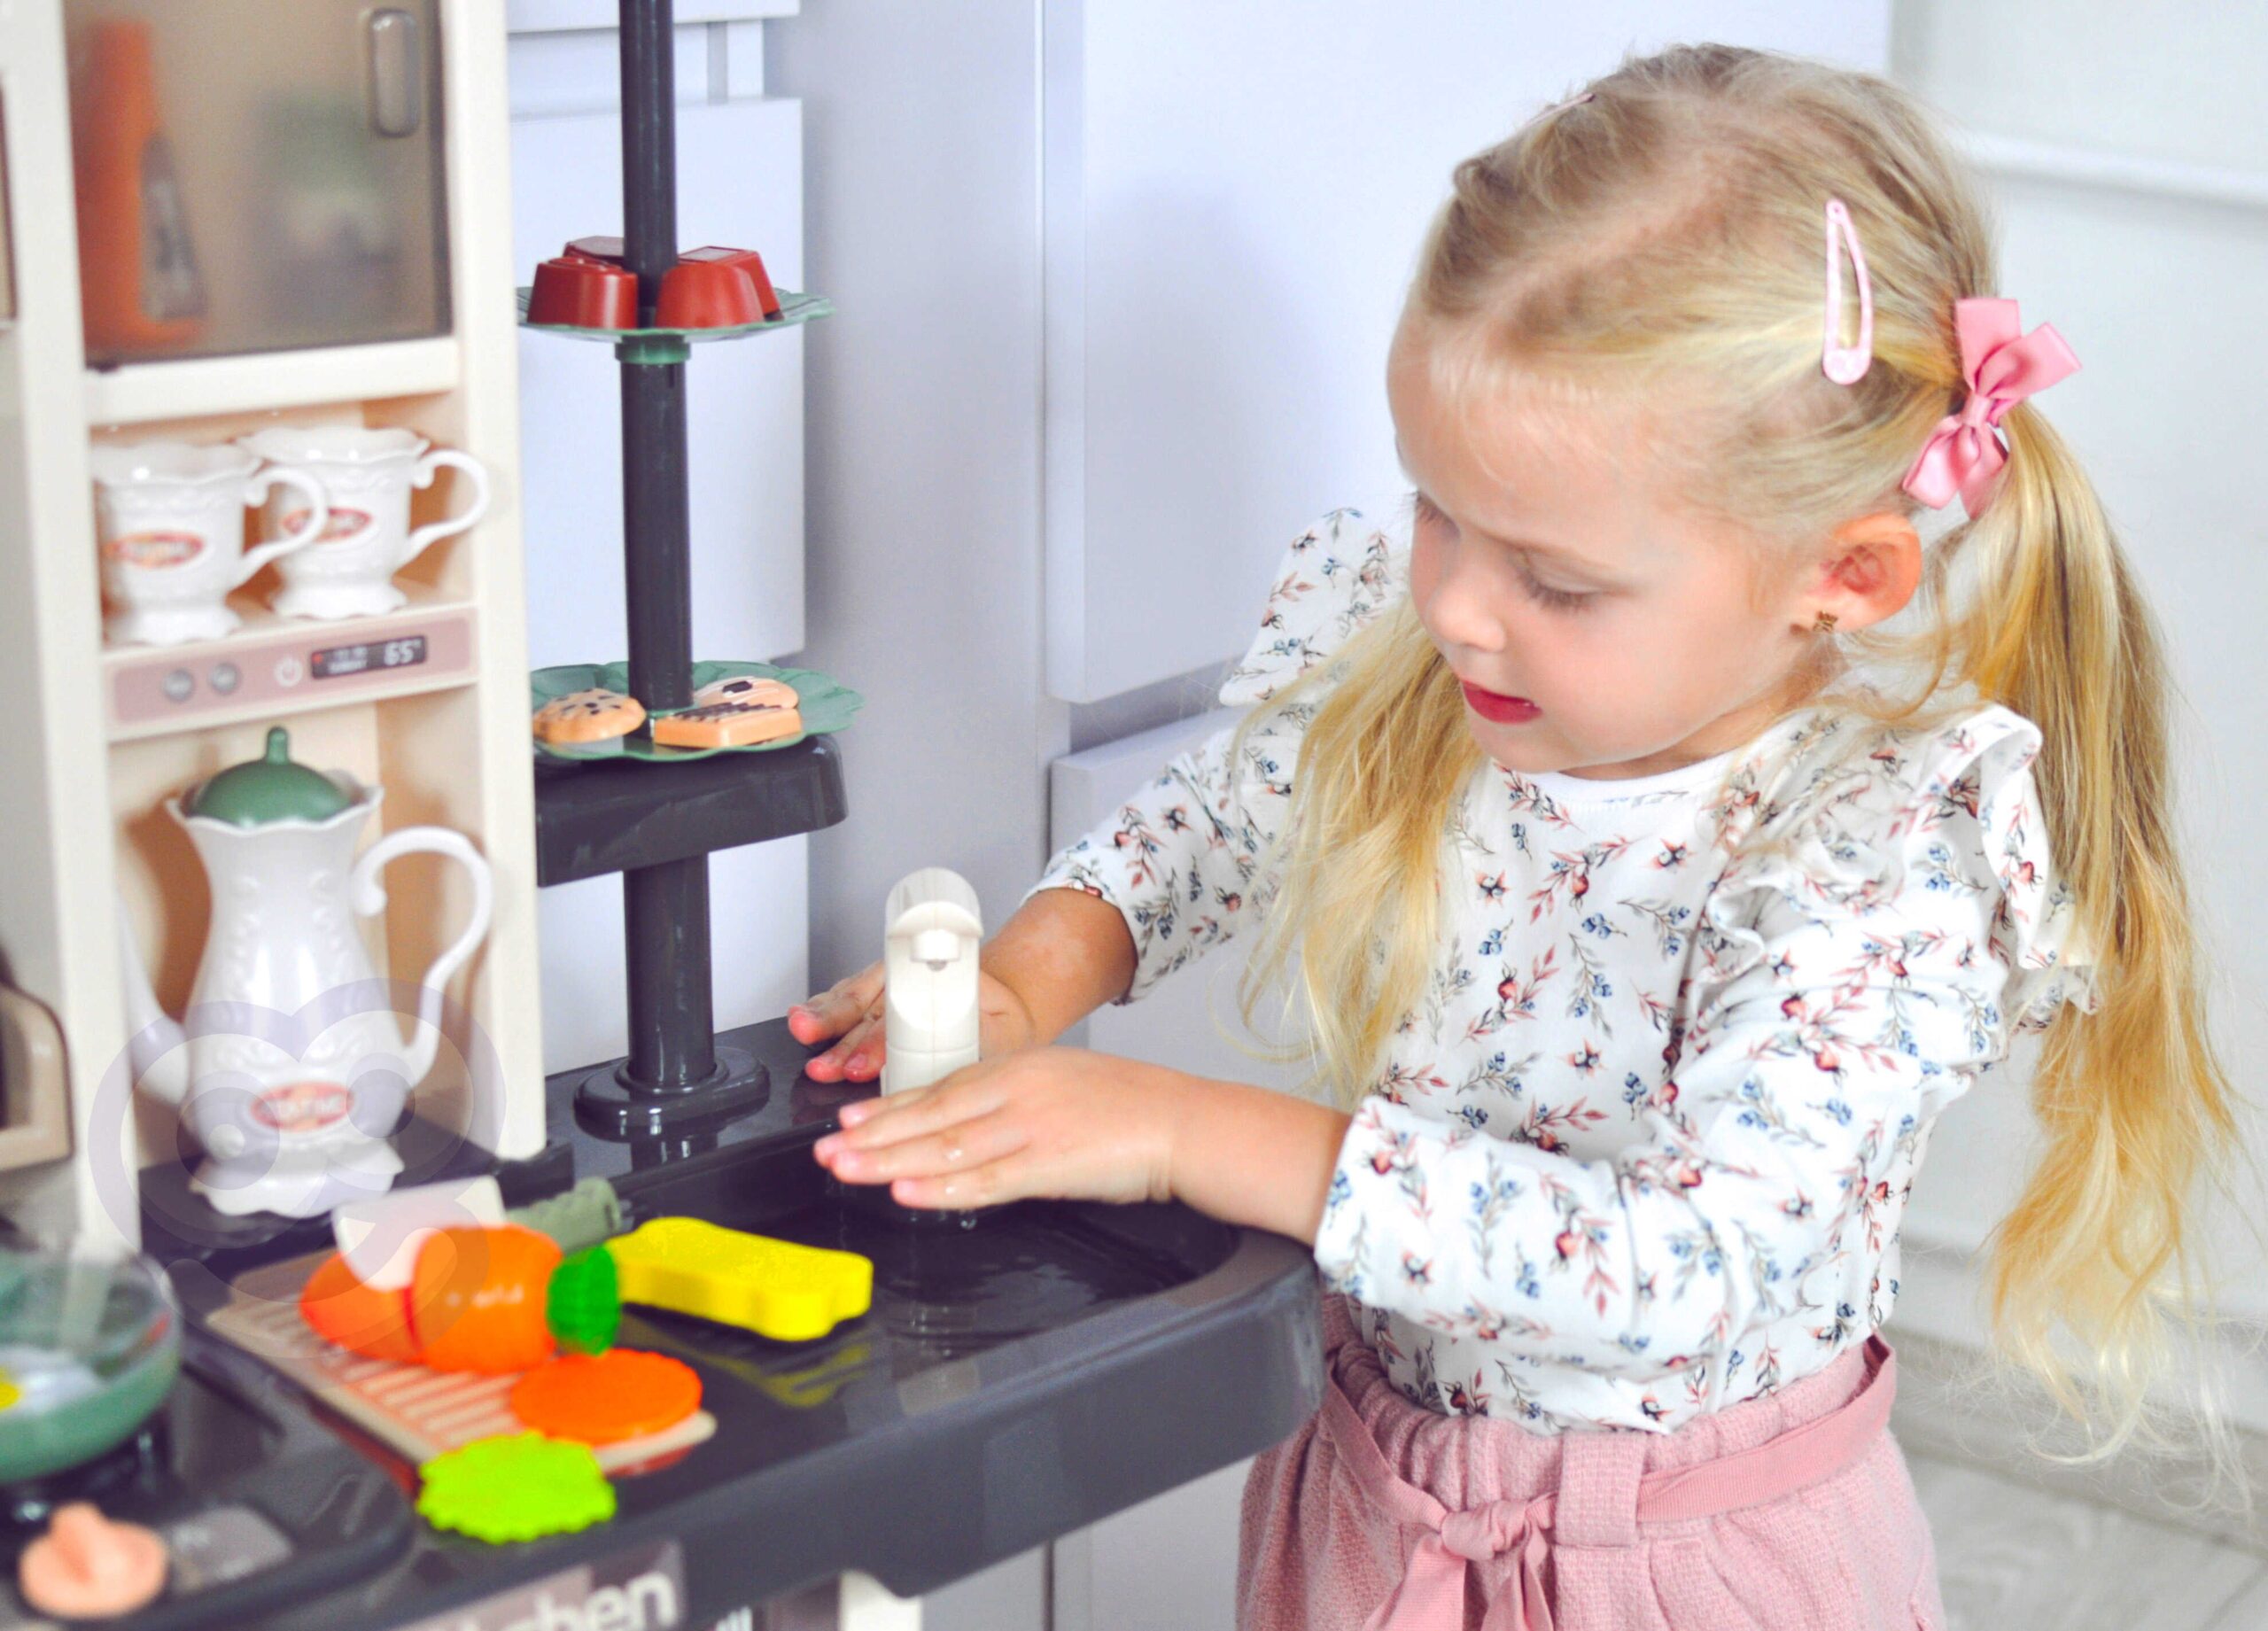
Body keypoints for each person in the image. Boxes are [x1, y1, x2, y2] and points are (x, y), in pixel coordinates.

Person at [798, 43, 2262, 1630]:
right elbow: (1203, 828)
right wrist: (1027, 978)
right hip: (1373, 1507)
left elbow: (1676, 1262)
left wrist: (1182, 1131)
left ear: (1840, 578)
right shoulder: (1444, 687)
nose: (1455, 604)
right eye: (1436, 509)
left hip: (1687, 1571)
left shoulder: (1877, 863)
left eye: (1554, 579)